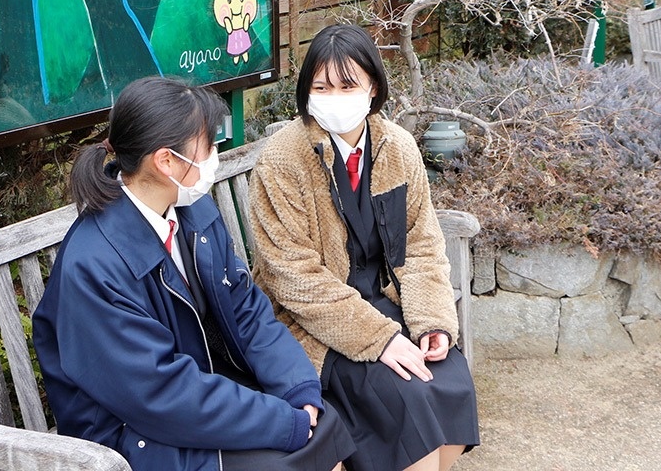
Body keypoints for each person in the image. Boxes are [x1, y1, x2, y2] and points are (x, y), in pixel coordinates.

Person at [33, 76, 354, 471]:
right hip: (128, 436)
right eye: (207, 146)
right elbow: (159, 393)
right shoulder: (93, 266)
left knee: (321, 428)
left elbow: (247, 310)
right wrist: (281, 421)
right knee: (292, 453)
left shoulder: (190, 211)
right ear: (166, 161)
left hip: (193, 397)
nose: (214, 155)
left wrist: (297, 387)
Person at [250, 24, 480, 471]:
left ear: (373, 86)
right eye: (321, 87)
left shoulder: (397, 147)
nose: (334, 97)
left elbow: (422, 243)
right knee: (406, 394)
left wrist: (432, 321)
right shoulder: (282, 161)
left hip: (384, 304)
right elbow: (292, 278)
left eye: (347, 85)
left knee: (451, 380)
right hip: (315, 323)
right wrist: (380, 340)